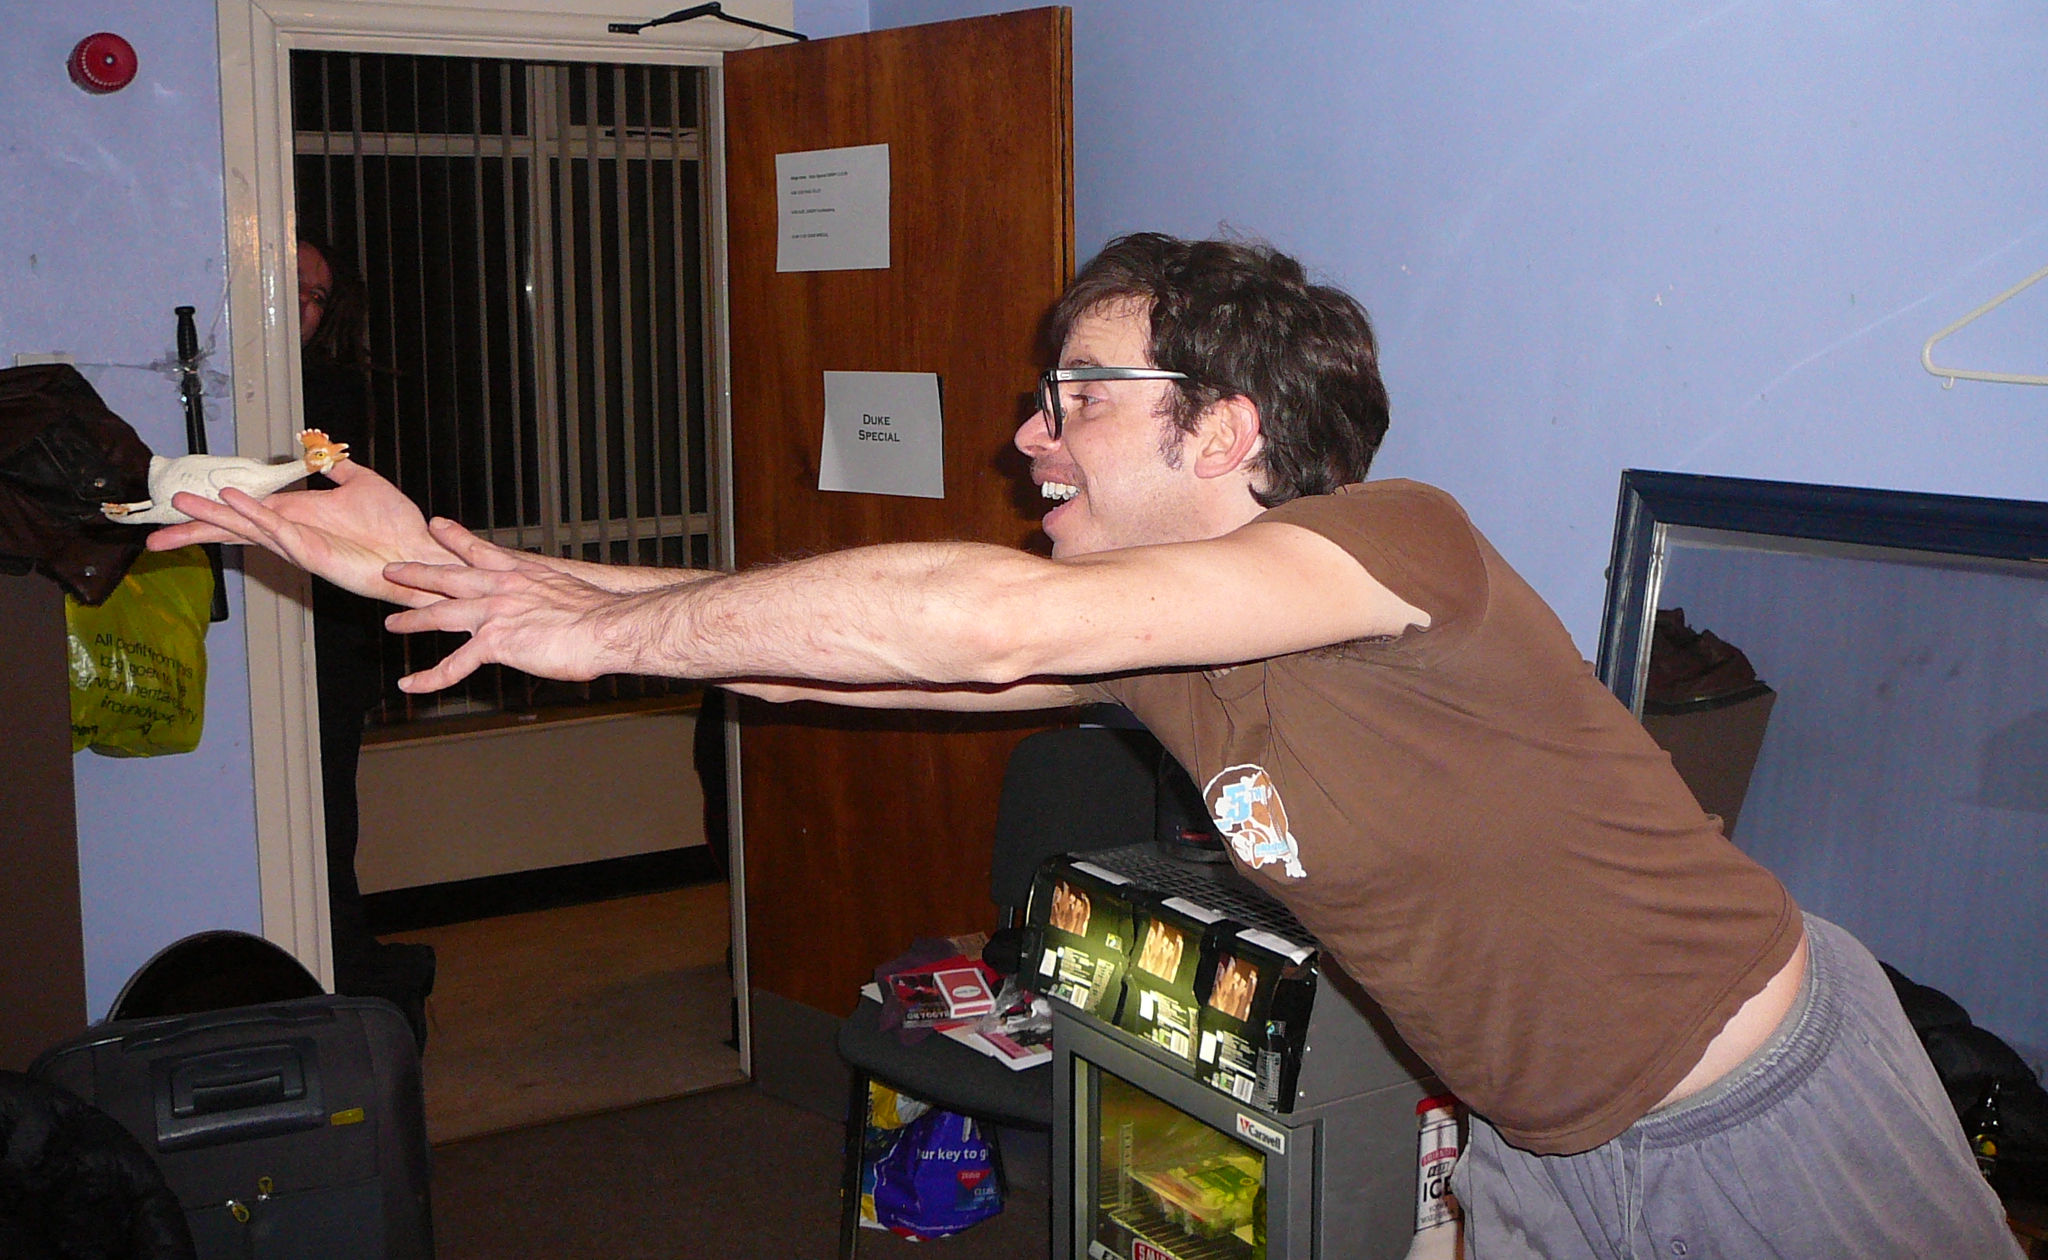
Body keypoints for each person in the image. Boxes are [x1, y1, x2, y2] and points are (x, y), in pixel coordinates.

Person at [155, 234, 2019, 1258]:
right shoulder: (1169, 644)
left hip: (1760, 1107)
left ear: (1228, 428)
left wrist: (588, 634)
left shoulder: (1400, 541)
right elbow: (864, 659)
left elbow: (981, 627)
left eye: (1075, 396)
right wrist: (459, 573)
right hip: (1549, 1141)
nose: (1026, 433)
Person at [296, 238, 436, 1046]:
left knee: (328, 817)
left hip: (329, 643)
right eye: (295, 287)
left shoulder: (330, 394)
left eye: (318, 297)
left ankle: (347, 980)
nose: (305, 306)